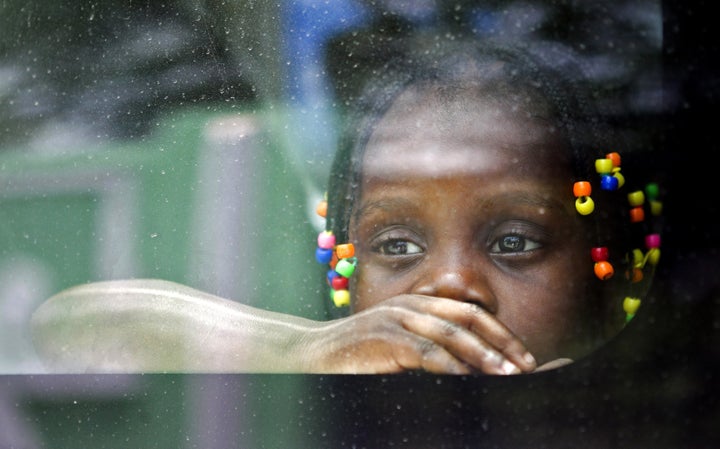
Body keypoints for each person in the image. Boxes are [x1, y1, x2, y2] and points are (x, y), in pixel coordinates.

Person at [30, 38, 662, 375]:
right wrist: (306, 350)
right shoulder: (328, 379)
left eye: (515, 241)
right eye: (396, 246)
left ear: (610, 273)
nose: (449, 285)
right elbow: (69, 325)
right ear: (344, 275)